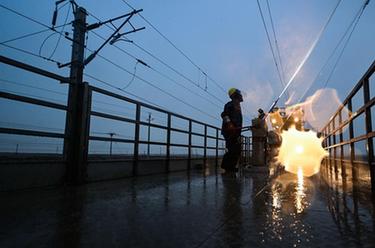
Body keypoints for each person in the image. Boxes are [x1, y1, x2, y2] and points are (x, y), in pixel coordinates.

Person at [221, 88, 243, 173]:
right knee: (232, 149)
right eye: (239, 93)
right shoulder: (230, 104)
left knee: (236, 149)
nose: (241, 95)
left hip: (236, 131)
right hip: (229, 131)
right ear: (235, 95)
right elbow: (224, 114)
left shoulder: (237, 105)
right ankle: (227, 167)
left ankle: (231, 167)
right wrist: (230, 124)